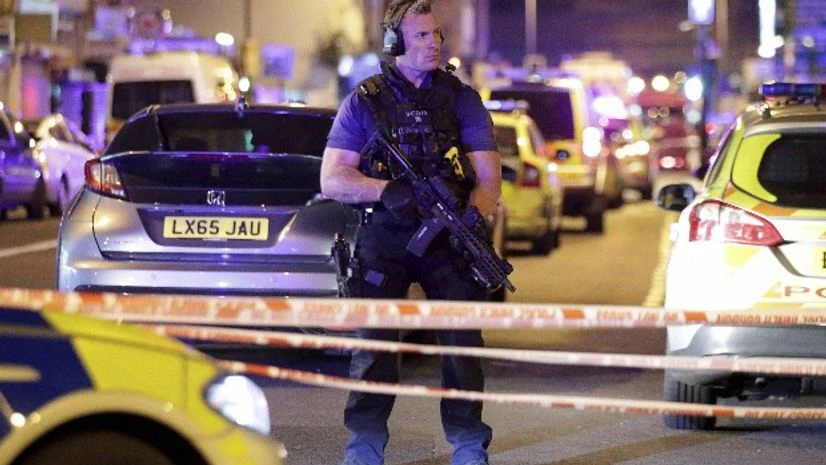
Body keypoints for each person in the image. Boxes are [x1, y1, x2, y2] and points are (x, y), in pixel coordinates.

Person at [319, 1, 502, 465]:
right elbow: (333, 178)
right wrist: (385, 190)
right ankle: (364, 447)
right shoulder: (365, 100)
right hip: (386, 236)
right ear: (395, 42)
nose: (433, 43)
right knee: (374, 348)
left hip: (448, 238)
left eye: (436, 34)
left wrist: (471, 223)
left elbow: (488, 179)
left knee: (462, 346)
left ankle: (468, 445)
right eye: (421, 35)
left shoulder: (461, 98)